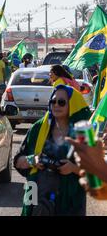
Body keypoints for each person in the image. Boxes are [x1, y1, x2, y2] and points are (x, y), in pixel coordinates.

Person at [14, 85, 91, 216]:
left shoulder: (83, 133)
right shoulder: (37, 129)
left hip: (70, 203)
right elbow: (17, 161)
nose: (56, 105)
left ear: (72, 105)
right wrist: (33, 160)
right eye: (53, 101)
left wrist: (73, 168)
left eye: (61, 102)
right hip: (37, 200)